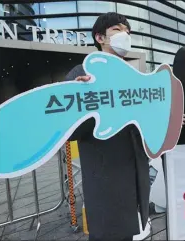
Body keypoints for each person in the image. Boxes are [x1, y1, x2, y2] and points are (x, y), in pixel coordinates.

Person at [64, 13, 150, 241]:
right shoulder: (81, 73)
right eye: (117, 29)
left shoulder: (134, 75)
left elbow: (143, 119)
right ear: (100, 37)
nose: (125, 35)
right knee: (108, 230)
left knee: (130, 228)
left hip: (134, 167)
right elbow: (70, 130)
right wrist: (82, 103)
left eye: (128, 32)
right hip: (105, 171)